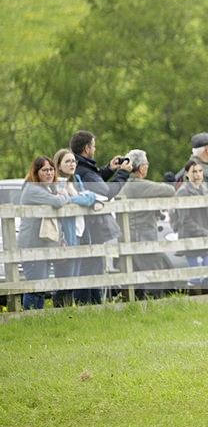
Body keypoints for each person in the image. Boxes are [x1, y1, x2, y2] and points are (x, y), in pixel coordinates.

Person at [70, 130, 131, 304]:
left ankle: (92, 307)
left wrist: (109, 169)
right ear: (87, 148)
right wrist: (123, 174)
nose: (95, 149)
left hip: (87, 230)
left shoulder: (82, 167)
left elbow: (96, 184)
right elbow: (107, 192)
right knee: (92, 271)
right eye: (94, 146)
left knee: (91, 271)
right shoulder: (85, 170)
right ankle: (90, 307)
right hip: (92, 229)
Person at [119, 149, 177, 298]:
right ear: (141, 167)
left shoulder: (123, 184)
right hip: (142, 234)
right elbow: (169, 190)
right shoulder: (138, 185)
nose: (147, 167)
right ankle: (154, 305)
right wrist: (169, 182)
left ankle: (138, 306)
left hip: (128, 235)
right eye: (146, 164)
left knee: (135, 278)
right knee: (154, 273)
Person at [17, 156, 70, 309]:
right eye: (45, 170)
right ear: (36, 172)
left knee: (41, 287)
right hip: (32, 245)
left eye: (51, 169)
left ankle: (38, 316)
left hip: (44, 244)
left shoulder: (47, 188)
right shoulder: (32, 189)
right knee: (35, 287)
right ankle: (30, 317)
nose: (49, 173)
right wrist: (64, 194)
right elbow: (57, 202)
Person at [51, 148, 98, 307]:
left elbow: (90, 197)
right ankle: (59, 307)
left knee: (75, 277)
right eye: (67, 161)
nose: (72, 164)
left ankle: (67, 310)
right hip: (66, 235)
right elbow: (63, 202)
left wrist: (73, 199)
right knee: (66, 276)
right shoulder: (56, 183)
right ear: (59, 165)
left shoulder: (76, 180)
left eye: (73, 161)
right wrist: (79, 199)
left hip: (81, 232)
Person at [174, 160, 208, 294]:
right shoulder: (183, 192)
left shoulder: (203, 190)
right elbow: (185, 220)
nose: (198, 174)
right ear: (186, 174)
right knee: (196, 276)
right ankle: (196, 301)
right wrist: (206, 233)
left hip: (205, 242)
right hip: (191, 240)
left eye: (200, 171)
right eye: (194, 171)